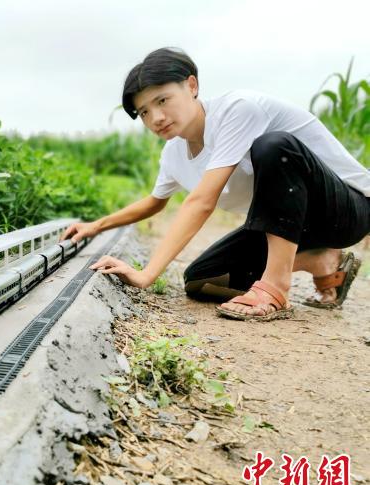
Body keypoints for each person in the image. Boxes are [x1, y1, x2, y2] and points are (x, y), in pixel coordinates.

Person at [61, 47, 370, 321]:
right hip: (291, 225)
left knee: (274, 146)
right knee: (202, 278)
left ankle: (275, 286)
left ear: (192, 85)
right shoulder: (174, 153)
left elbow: (202, 201)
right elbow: (155, 201)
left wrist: (146, 274)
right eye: (144, 111)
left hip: (346, 211)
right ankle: (324, 262)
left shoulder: (238, 109)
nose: (156, 117)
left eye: (162, 100)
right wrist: (95, 226)